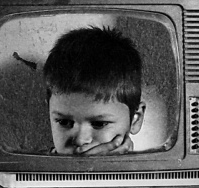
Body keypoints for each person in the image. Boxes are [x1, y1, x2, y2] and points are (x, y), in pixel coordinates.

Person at [42, 26, 145, 156]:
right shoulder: (29, 166)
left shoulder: (155, 168)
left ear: (135, 119)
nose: (80, 140)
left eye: (99, 124)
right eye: (64, 122)